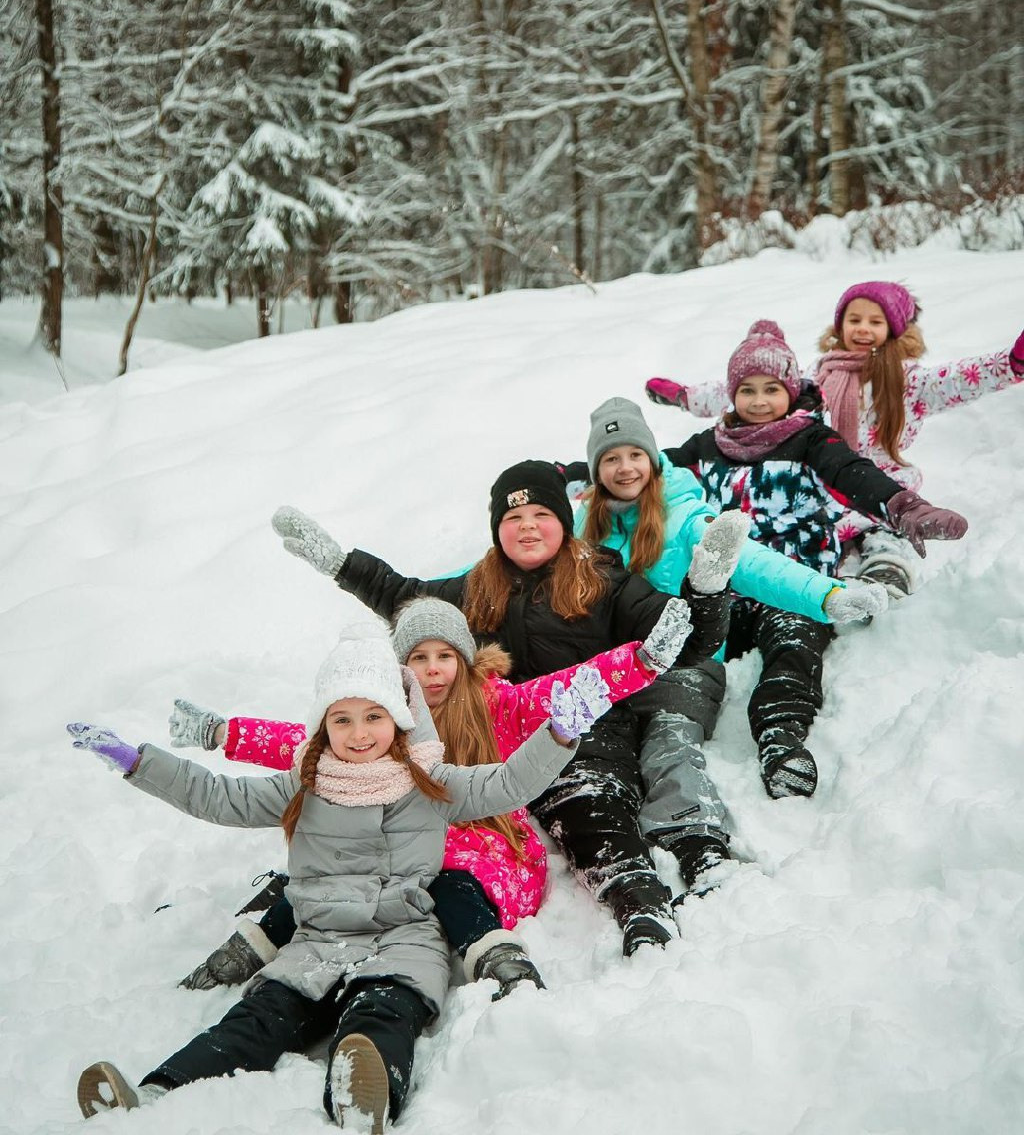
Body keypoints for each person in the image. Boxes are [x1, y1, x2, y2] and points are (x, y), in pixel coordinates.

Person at [66, 615, 656, 1131]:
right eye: (342, 719)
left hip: (405, 940)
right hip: (316, 942)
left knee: (383, 1015)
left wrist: (558, 734)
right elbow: (217, 796)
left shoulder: (431, 784)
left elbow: (507, 783)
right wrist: (138, 763)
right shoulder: (304, 784)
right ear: (323, 726)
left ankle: (363, 1100)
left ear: (399, 719)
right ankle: (152, 1095)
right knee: (253, 1021)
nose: (358, 733)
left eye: (374, 716)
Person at [268, 461, 749, 956]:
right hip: (489, 746)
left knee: (589, 810)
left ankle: (640, 901)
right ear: (498, 529)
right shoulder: (474, 587)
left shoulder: (605, 580)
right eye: (513, 518)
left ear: (564, 521)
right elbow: (404, 598)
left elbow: (685, 641)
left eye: (541, 515)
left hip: (577, 736)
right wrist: (340, 564)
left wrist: (706, 591)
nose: (527, 527)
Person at [167, 595, 687, 999]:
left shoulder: (500, 704)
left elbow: (575, 685)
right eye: (418, 657)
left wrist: (643, 660)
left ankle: (492, 953)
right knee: (329, 868)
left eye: (444, 656)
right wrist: (221, 733)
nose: (433, 669)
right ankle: (255, 946)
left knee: (443, 872)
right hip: (396, 837)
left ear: (464, 659)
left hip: (483, 839)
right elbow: (298, 744)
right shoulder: (383, 721)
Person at [653, 320, 967, 797]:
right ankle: (670, 747)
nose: (759, 400)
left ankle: (781, 737)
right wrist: (566, 476)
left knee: (793, 649)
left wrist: (906, 508)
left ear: (791, 389)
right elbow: (641, 469)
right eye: (747, 390)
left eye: (771, 389)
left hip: (792, 586)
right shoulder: (708, 446)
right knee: (685, 652)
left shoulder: (812, 440)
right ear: (732, 395)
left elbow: (855, 474)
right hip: (727, 589)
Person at [557, 394, 889, 799]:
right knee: (594, 756)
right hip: (612, 667)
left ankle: (692, 823)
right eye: (611, 458)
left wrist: (826, 594)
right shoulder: (581, 526)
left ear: (653, 460)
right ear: (596, 470)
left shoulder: (685, 516)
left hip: (684, 663)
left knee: (669, 749)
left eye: (635, 455)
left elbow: (750, 561)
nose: (625, 467)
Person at [645, 281, 1023, 596]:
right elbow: (748, 391)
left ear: (895, 329)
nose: (862, 328)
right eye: (854, 319)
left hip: (881, 488)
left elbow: (959, 379)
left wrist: (1011, 364)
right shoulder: (819, 372)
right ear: (839, 325)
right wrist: (686, 396)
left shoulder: (908, 380)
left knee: (884, 537)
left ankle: (885, 575)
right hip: (821, 485)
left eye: (875, 321)